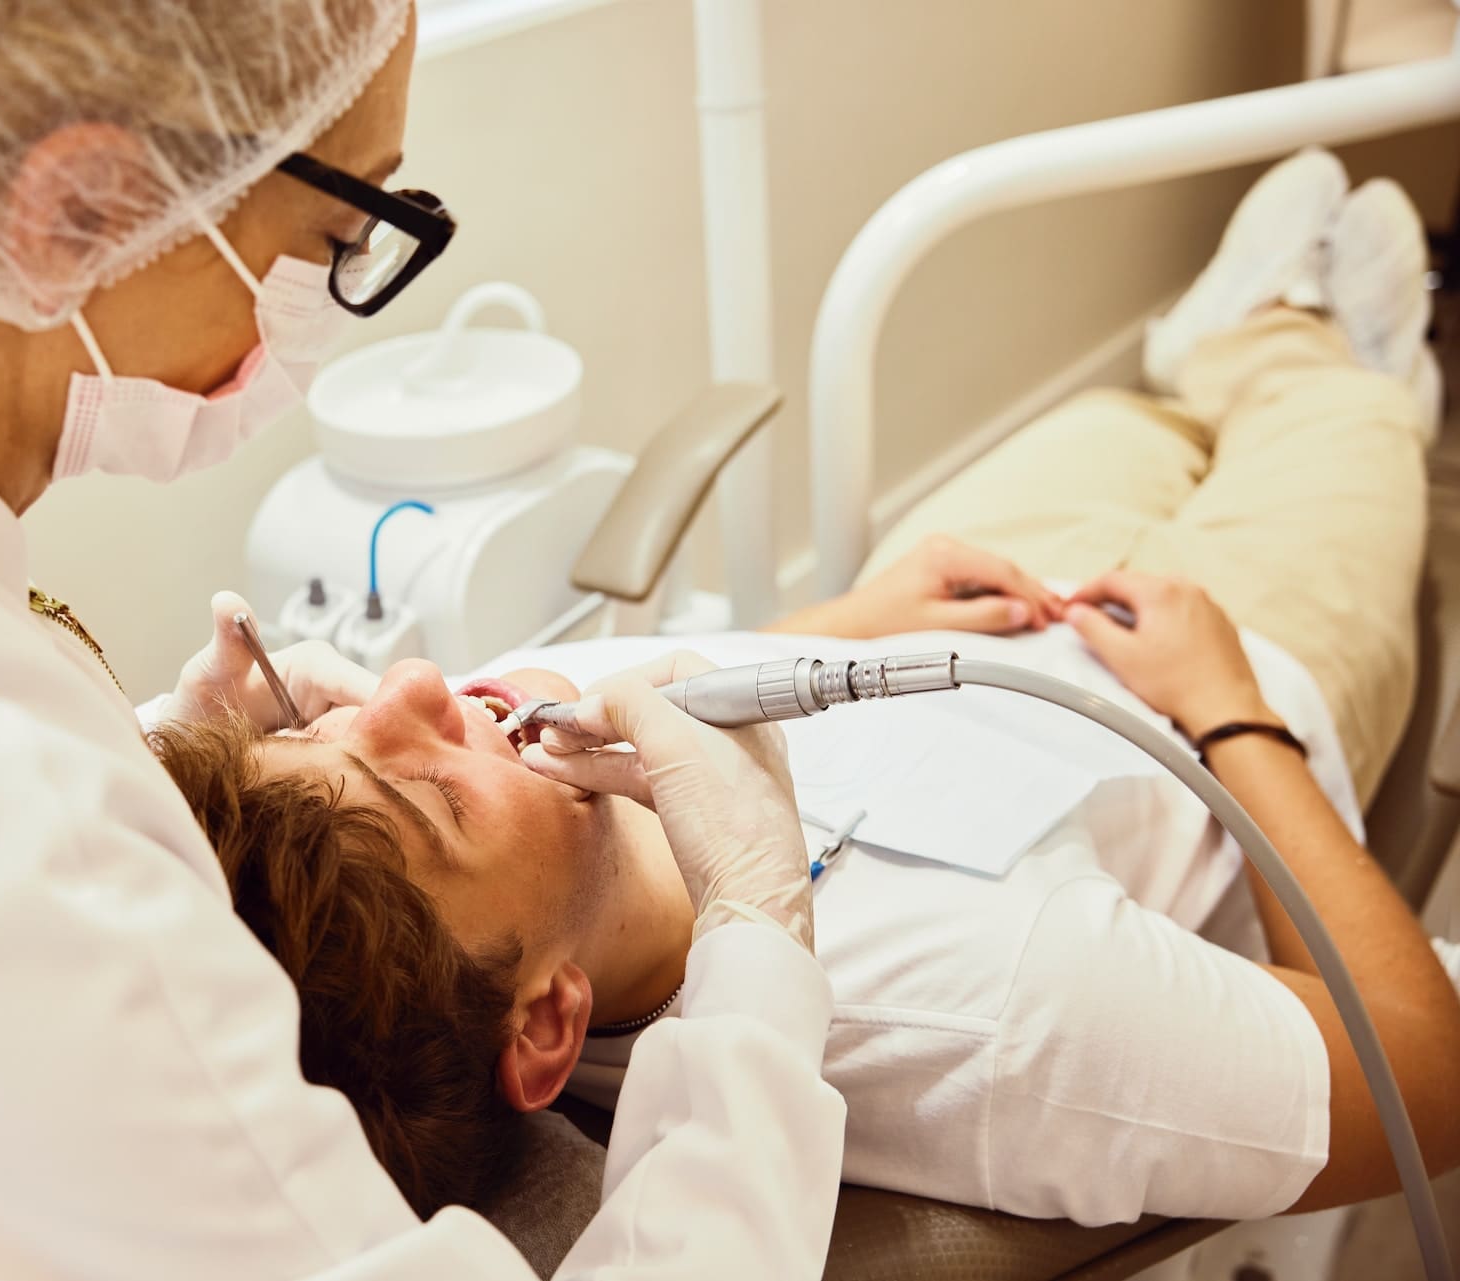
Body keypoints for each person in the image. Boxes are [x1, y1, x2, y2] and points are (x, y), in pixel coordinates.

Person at [0, 4, 849, 1278]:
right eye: (342, 229)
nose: (409, 689)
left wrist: (148, 750)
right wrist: (756, 939)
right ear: (81, 210)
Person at [146, 149, 1460, 1226]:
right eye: (430, 791)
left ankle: (1220, 353)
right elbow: (1421, 1069)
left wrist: (844, 624)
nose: (421, 685)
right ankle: (1314, 344)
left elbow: (665, 703)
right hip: (1219, 704)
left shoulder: (549, 776)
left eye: (327, 728)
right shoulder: (1004, 1021)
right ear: (549, 1016)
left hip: (953, 608)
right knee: (1331, 413)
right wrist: (1233, 707)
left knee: (1126, 422)